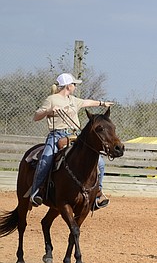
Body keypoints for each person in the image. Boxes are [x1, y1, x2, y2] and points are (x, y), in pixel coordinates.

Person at [28, 73, 115, 209]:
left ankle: (97, 193)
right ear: (68, 86)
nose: (75, 86)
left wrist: (102, 103)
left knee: (100, 163)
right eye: (74, 84)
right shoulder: (51, 99)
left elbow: (86, 102)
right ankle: (36, 191)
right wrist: (49, 110)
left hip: (75, 136)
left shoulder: (73, 100)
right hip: (57, 135)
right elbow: (36, 116)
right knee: (45, 160)